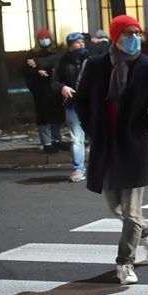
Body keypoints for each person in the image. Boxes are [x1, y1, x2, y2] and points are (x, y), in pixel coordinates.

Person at [74, 14, 148, 286]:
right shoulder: (96, 66)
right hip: (106, 148)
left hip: (134, 149)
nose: (133, 38)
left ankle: (124, 263)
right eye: (127, 34)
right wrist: (90, 128)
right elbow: (81, 101)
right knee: (115, 207)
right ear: (116, 37)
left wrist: (142, 127)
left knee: (131, 213)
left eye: (136, 33)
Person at [52, 32, 89, 182]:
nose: (81, 44)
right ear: (70, 45)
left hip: (90, 104)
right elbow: (54, 82)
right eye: (77, 42)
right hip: (72, 104)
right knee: (76, 138)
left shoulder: (90, 58)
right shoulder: (62, 61)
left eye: (82, 41)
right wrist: (62, 87)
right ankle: (78, 168)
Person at [24, 27, 64, 152]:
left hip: (54, 89)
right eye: (42, 38)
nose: (44, 40)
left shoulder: (56, 52)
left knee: (56, 115)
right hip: (41, 90)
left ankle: (56, 139)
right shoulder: (32, 54)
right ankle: (47, 142)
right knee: (44, 116)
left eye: (46, 38)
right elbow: (25, 70)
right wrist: (37, 72)